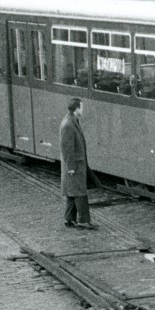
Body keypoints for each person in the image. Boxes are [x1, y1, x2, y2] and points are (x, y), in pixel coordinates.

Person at [60, 98, 97, 230]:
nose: (83, 110)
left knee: (72, 192)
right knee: (80, 192)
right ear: (76, 109)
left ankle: (69, 219)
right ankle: (83, 221)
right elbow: (66, 148)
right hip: (74, 165)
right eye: (81, 107)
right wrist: (70, 167)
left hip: (76, 163)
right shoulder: (68, 125)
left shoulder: (71, 121)